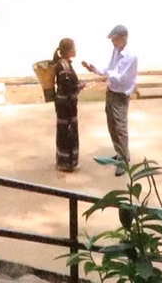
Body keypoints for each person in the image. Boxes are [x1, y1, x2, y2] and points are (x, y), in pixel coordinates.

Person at [83, 24, 138, 169]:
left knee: (120, 127)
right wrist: (95, 70)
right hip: (111, 92)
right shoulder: (116, 51)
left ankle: (124, 160)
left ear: (123, 38)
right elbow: (109, 68)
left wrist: (108, 74)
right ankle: (120, 153)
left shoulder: (131, 57)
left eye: (115, 40)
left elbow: (122, 78)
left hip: (120, 95)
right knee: (112, 125)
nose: (113, 43)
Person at [50, 38, 84, 172]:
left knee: (64, 131)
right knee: (68, 132)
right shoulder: (63, 66)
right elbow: (67, 86)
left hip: (64, 103)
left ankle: (64, 160)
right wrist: (79, 86)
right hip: (67, 105)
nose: (75, 50)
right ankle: (67, 162)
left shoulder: (63, 64)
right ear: (68, 51)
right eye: (73, 48)